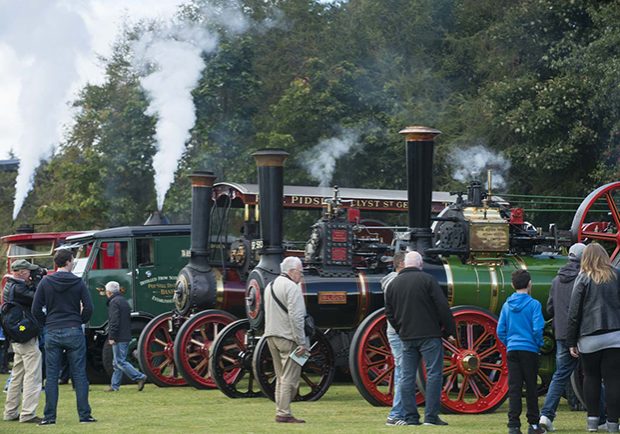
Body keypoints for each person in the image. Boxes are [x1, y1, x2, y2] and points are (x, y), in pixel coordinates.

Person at [540, 243, 607, 431]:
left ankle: (546, 415)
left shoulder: (556, 280)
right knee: (592, 376)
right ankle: (601, 418)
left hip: (561, 334)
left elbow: (550, 308)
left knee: (560, 375)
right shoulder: (586, 278)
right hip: (583, 334)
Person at [384, 251, 456, 426]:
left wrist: (401, 329)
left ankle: (410, 417)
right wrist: (449, 331)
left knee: (407, 377)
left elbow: (389, 313)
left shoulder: (393, 284)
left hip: (407, 336)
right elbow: (442, 307)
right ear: (420, 265)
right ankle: (431, 417)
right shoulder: (428, 280)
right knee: (433, 375)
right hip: (429, 335)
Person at [32, 249, 96, 425]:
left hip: (52, 330)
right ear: (68, 261)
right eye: (73, 259)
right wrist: (79, 320)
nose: (74, 262)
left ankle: (49, 417)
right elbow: (89, 308)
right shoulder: (78, 282)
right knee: (79, 375)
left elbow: (35, 309)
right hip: (74, 329)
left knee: (51, 376)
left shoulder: (45, 282)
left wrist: (47, 323)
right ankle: (85, 415)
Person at [567, 243, 620, 433]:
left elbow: (574, 312)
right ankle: (613, 424)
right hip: (615, 335)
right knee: (613, 380)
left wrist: (571, 341)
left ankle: (592, 422)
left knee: (591, 378)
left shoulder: (582, 278)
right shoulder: (617, 275)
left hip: (589, 336)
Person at [497, 270, 545, 434]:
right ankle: (533, 425)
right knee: (531, 387)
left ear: (512, 285)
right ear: (530, 284)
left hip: (513, 349)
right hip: (529, 349)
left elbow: (500, 330)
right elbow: (538, 328)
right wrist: (538, 344)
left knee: (514, 387)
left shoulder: (506, 305)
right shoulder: (534, 305)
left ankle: (513, 425)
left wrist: (509, 342)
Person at [263, 256, 308, 424]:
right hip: (288, 337)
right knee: (290, 377)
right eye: (300, 273)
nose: (301, 277)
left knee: (280, 376)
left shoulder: (270, 286)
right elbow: (297, 318)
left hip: (271, 335)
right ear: (291, 271)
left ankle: (281, 410)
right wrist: (302, 342)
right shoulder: (292, 288)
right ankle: (283, 413)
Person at [2, 259, 42, 423]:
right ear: (20, 272)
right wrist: (39, 280)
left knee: (17, 375)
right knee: (33, 375)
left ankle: (10, 412)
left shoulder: (9, 286)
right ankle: (28, 413)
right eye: (28, 272)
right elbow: (38, 298)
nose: (30, 275)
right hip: (25, 338)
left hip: (17, 337)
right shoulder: (18, 288)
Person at [104, 281, 146, 392]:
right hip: (126, 334)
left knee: (119, 361)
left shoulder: (114, 302)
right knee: (117, 362)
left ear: (109, 292)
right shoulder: (123, 301)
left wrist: (112, 336)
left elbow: (114, 321)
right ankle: (114, 386)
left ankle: (139, 377)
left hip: (119, 336)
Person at [382, 251, 407, 426]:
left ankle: (401, 412)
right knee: (403, 372)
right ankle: (396, 414)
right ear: (402, 264)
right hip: (399, 331)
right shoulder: (396, 282)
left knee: (403, 371)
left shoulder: (390, 281)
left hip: (396, 330)